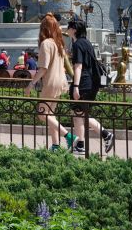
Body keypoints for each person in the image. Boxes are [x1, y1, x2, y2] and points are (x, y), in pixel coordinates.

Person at [66, 18, 115, 155]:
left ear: (74, 29)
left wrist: (75, 86)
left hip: (83, 83)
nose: (67, 29)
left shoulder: (77, 45)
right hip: (91, 83)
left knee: (78, 114)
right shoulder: (86, 43)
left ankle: (101, 136)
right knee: (80, 114)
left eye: (69, 27)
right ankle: (83, 143)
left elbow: (79, 66)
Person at [25, 14, 72, 151]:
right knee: (50, 114)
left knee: (42, 113)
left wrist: (30, 84)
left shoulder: (46, 44)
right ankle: (55, 145)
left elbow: (43, 69)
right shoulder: (59, 43)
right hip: (61, 82)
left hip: (51, 82)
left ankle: (69, 136)